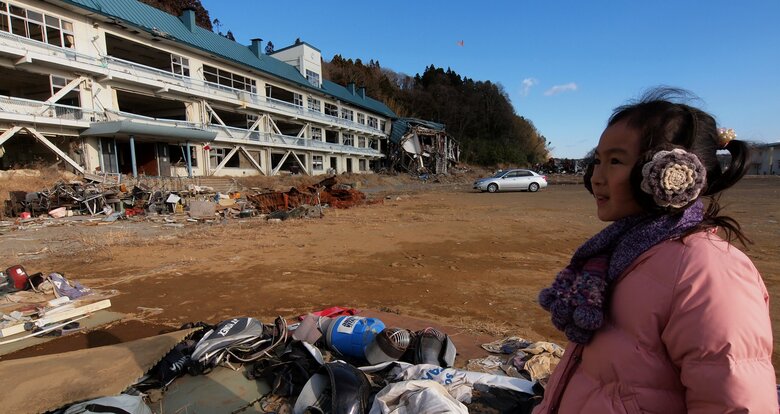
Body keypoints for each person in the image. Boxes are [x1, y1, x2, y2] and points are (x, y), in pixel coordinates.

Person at [534, 88, 778, 413]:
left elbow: (735, 403)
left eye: (615, 161)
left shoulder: (709, 273)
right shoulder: (622, 254)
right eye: (597, 161)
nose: (596, 177)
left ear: (669, 172)